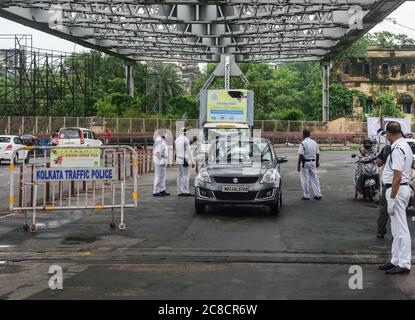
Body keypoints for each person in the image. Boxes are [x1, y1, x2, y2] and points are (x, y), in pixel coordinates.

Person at [378, 121, 412, 274]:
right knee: (396, 228)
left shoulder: (398, 149)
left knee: (401, 229)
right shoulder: (405, 145)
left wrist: (391, 199)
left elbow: (397, 176)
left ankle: (404, 263)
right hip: (398, 190)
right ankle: (395, 260)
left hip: (396, 191)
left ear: (389, 134)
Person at [297, 128, 323, 200]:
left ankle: (306, 195)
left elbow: (301, 155)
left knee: (305, 179)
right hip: (313, 162)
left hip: (305, 163)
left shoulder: (302, 143)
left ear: (303, 135)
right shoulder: (314, 143)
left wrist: (298, 165)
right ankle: (318, 194)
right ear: (309, 134)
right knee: (315, 178)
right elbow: (317, 154)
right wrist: (317, 162)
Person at [376, 135, 392, 239]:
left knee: (384, 209)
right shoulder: (406, 148)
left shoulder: (387, 148)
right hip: (404, 184)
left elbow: (379, 163)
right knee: (399, 212)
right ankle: (396, 234)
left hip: (389, 184)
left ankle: (381, 231)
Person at [174, 127, 194, 197]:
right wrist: (192, 161)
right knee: (186, 175)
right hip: (185, 159)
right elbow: (189, 151)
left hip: (178, 159)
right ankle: (185, 191)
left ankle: (179, 191)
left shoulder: (176, 140)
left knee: (179, 175)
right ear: (186, 133)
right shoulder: (186, 139)